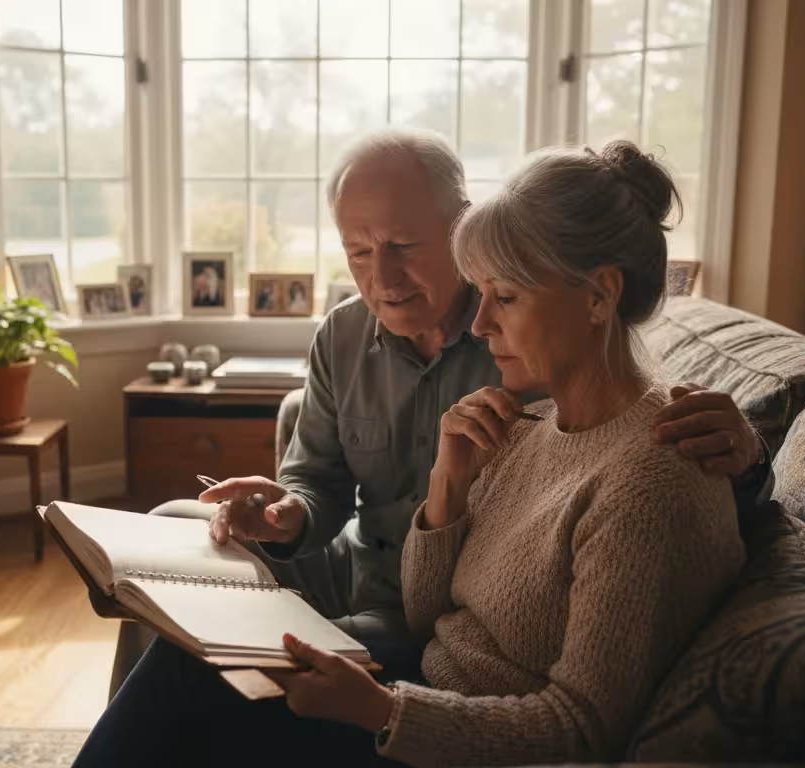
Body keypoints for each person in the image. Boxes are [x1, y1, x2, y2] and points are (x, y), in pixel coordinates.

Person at [74, 141, 748, 767]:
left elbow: (660, 460)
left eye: (403, 245)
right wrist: (419, 489)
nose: (382, 277)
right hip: (393, 618)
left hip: (424, 683)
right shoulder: (509, 408)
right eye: (358, 252)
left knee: (187, 680)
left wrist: (748, 449)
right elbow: (414, 582)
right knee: (182, 595)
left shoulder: (571, 401)